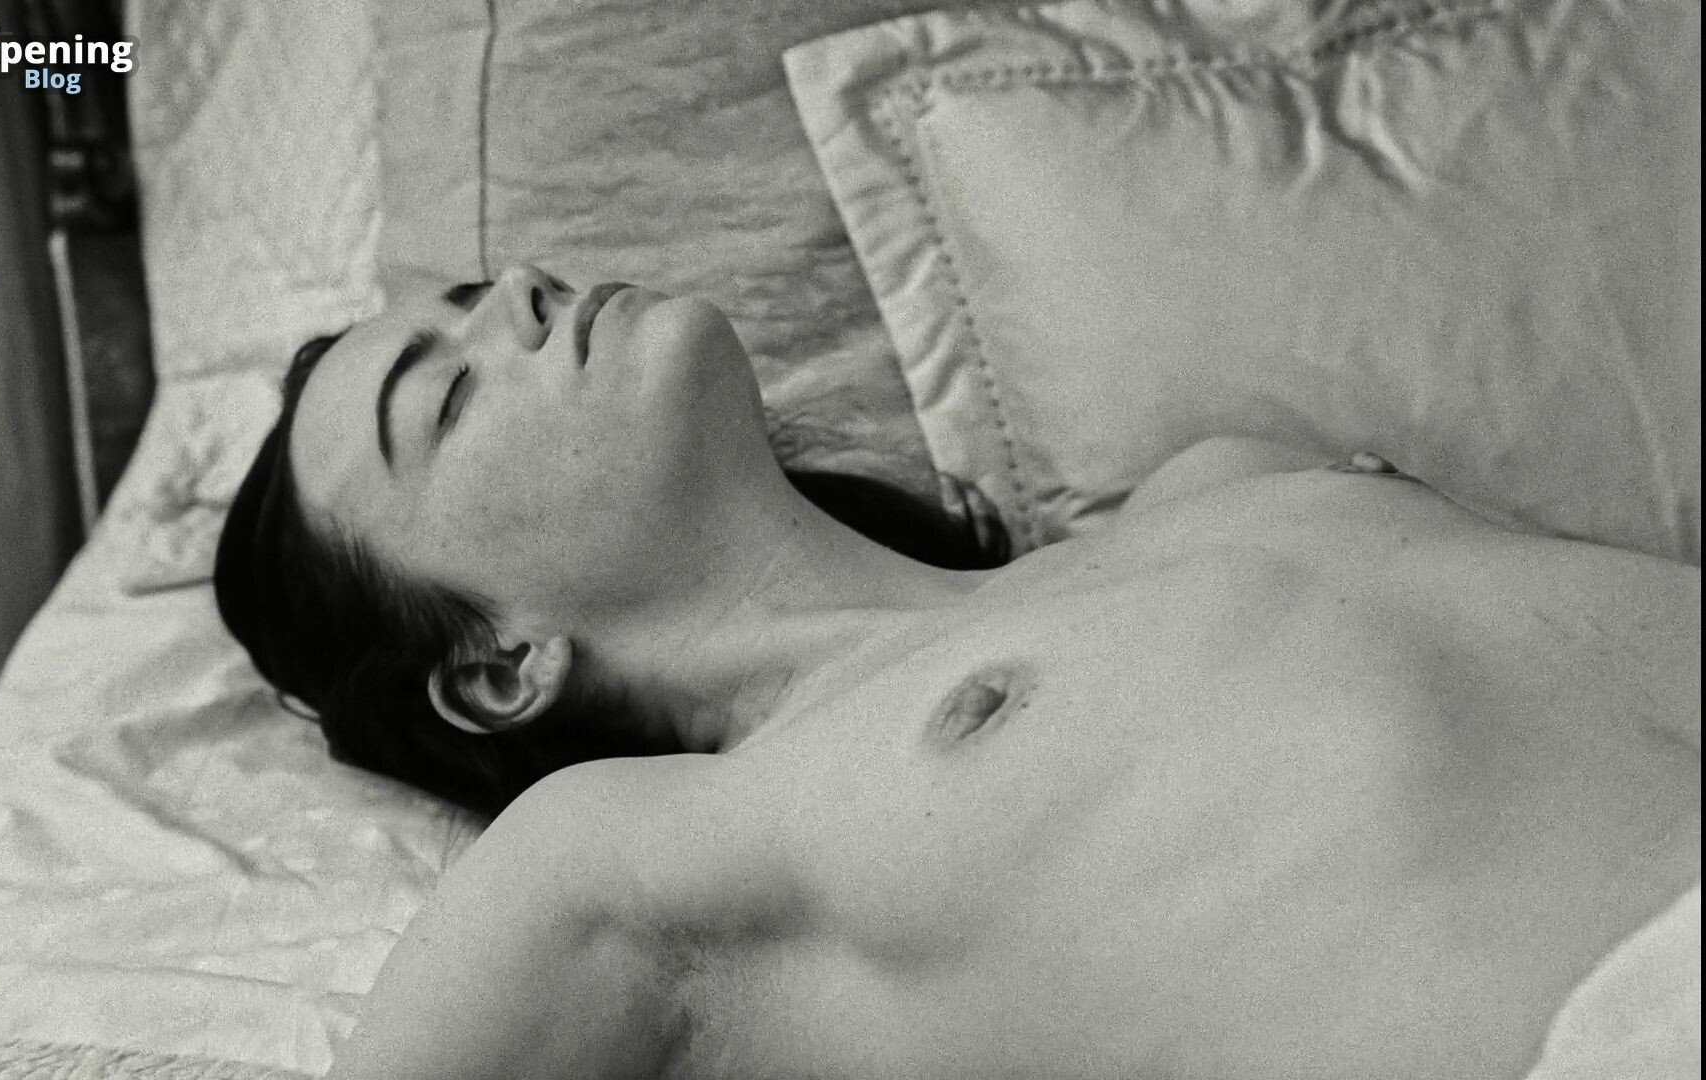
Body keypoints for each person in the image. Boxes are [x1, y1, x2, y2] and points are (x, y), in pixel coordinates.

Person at [215, 267, 1699, 1079]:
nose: (524, 300)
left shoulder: (1225, 477)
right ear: (498, 669)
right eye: (449, 393)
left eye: (481, 293)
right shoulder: (631, 842)